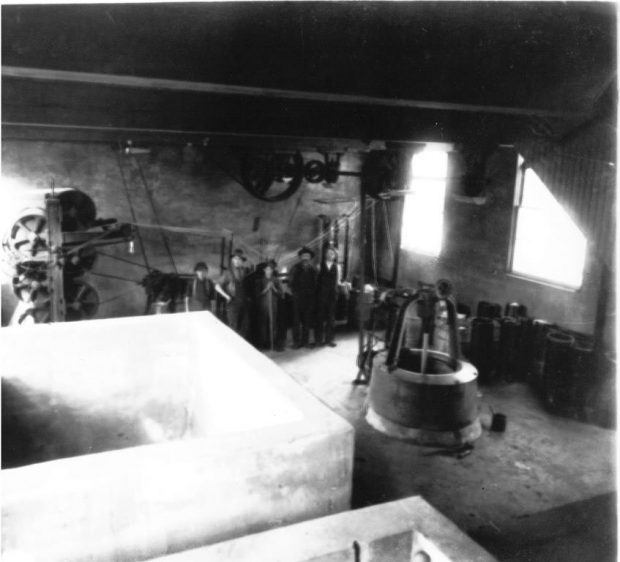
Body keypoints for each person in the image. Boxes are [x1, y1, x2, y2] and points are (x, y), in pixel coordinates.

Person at [215, 249, 251, 337]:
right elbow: (217, 286)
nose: (238, 261)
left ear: (242, 261)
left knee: (244, 327)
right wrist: (227, 296)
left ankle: (242, 348)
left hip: (243, 303)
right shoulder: (228, 273)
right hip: (233, 303)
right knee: (233, 328)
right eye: (236, 259)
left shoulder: (244, 272)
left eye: (240, 259)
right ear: (232, 260)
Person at [289, 246, 317, 348]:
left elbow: (315, 284)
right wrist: (295, 294)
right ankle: (296, 342)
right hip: (297, 298)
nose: (306, 258)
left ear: (310, 258)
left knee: (307, 320)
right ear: (300, 257)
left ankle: (306, 342)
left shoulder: (313, 270)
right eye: (304, 256)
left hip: (309, 299)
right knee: (296, 320)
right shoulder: (295, 268)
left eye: (308, 256)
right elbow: (290, 283)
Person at [253, 260, 284, 351]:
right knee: (263, 324)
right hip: (263, 306)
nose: (269, 271)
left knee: (273, 324)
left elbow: (281, 294)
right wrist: (266, 289)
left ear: (273, 270)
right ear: (264, 270)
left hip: (273, 305)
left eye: (270, 269)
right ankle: (263, 344)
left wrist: (274, 288)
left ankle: (272, 343)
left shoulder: (276, 280)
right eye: (267, 269)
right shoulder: (259, 281)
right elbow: (257, 294)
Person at [315, 245, 342, 347]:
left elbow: (338, 281)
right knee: (320, 317)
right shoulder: (319, 266)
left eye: (332, 253)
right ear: (325, 255)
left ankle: (329, 339)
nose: (330, 255)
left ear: (335, 256)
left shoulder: (338, 267)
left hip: (332, 295)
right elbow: (317, 280)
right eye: (328, 253)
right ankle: (318, 340)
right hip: (321, 295)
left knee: (331, 317)